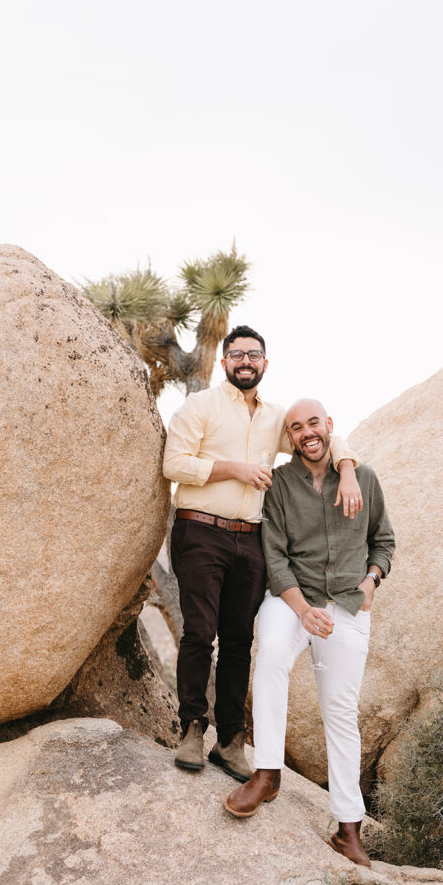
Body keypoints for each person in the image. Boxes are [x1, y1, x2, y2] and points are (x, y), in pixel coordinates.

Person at [163, 329, 361, 783]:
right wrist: (235, 469)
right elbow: (173, 463)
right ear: (224, 362)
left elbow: (323, 435)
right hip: (200, 531)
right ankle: (192, 728)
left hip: (250, 540)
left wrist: (347, 468)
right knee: (199, 633)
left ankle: (229, 741)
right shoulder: (200, 408)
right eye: (237, 354)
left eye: (254, 354)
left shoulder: (277, 418)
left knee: (238, 643)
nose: (245, 361)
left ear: (265, 364)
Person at [223, 398, 395, 869]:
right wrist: (301, 610)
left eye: (313, 423)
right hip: (291, 599)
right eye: (296, 428)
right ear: (291, 437)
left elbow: (384, 541)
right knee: (273, 658)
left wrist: (370, 582)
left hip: (348, 604)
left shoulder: (365, 478)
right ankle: (267, 774)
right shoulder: (279, 484)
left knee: (340, 711)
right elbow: (273, 554)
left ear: (329, 427)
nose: (306, 433)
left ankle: (347, 828)